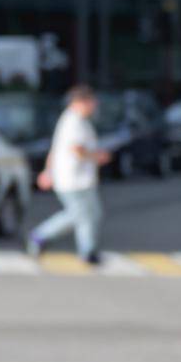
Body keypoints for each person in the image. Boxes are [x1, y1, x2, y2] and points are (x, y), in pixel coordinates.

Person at [27, 85, 110, 264]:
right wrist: (98, 156)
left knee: (91, 213)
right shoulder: (73, 122)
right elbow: (76, 150)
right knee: (79, 214)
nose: (95, 105)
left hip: (81, 179)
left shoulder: (75, 120)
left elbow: (55, 149)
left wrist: (47, 171)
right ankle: (41, 235)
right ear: (81, 102)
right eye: (92, 102)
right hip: (73, 179)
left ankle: (88, 250)